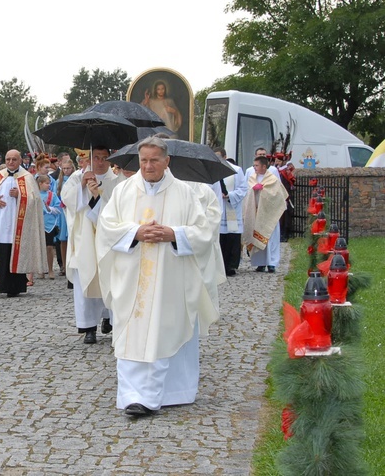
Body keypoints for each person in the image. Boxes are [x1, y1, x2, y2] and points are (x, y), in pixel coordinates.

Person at [96, 137, 219, 417]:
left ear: (167, 161)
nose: (148, 166)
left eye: (154, 160)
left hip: (169, 277)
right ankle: (131, 396)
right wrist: (134, 233)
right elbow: (106, 227)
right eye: (144, 161)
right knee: (130, 331)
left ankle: (164, 395)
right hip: (131, 276)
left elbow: (204, 232)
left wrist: (174, 234)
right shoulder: (124, 191)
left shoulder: (185, 193)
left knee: (164, 330)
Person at [61, 146, 125, 344]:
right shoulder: (76, 178)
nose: (100, 161)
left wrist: (98, 195)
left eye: (104, 158)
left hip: (107, 240)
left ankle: (109, 319)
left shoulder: (117, 181)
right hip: (84, 239)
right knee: (86, 280)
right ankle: (89, 326)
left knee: (109, 279)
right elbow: (67, 200)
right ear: (88, 158)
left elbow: (118, 208)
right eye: (96, 157)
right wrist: (82, 185)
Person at [0, 149, 46, 297]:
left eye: (14, 159)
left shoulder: (27, 177)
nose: (10, 162)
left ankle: (16, 286)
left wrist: (21, 195)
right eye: (8, 159)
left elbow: (35, 200)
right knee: (2, 253)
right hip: (1, 222)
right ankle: (2, 286)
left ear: (20, 161)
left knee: (15, 252)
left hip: (19, 224)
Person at [242, 155, 288, 274]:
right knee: (256, 235)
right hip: (256, 212)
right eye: (254, 165)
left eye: (256, 165)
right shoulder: (252, 177)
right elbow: (246, 192)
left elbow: (277, 195)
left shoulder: (272, 179)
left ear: (264, 166)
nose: (254, 168)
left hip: (269, 214)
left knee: (270, 238)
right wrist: (253, 189)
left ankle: (272, 263)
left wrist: (264, 190)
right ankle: (260, 263)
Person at [214, 147, 248, 276]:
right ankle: (220, 265)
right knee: (220, 237)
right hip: (218, 207)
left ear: (224, 156)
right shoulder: (213, 170)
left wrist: (229, 195)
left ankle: (231, 266)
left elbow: (243, 188)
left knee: (232, 238)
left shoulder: (236, 170)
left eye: (219, 156)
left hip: (231, 207)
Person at [37, 174, 62, 280]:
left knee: (49, 247)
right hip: (38, 223)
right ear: (40, 184)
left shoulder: (52, 195)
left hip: (49, 224)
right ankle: (41, 269)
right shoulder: (36, 195)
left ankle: (50, 269)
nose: (49, 185)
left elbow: (58, 209)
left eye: (49, 183)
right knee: (39, 247)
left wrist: (49, 208)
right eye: (47, 183)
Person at [54, 158, 75, 276]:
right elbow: (55, 196)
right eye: (64, 168)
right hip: (62, 211)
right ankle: (64, 265)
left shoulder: (75, 179)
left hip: (72, 209)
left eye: (68, 168)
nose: (66, 170)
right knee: (63, 239)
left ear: (72, 168)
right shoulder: (59, 181)